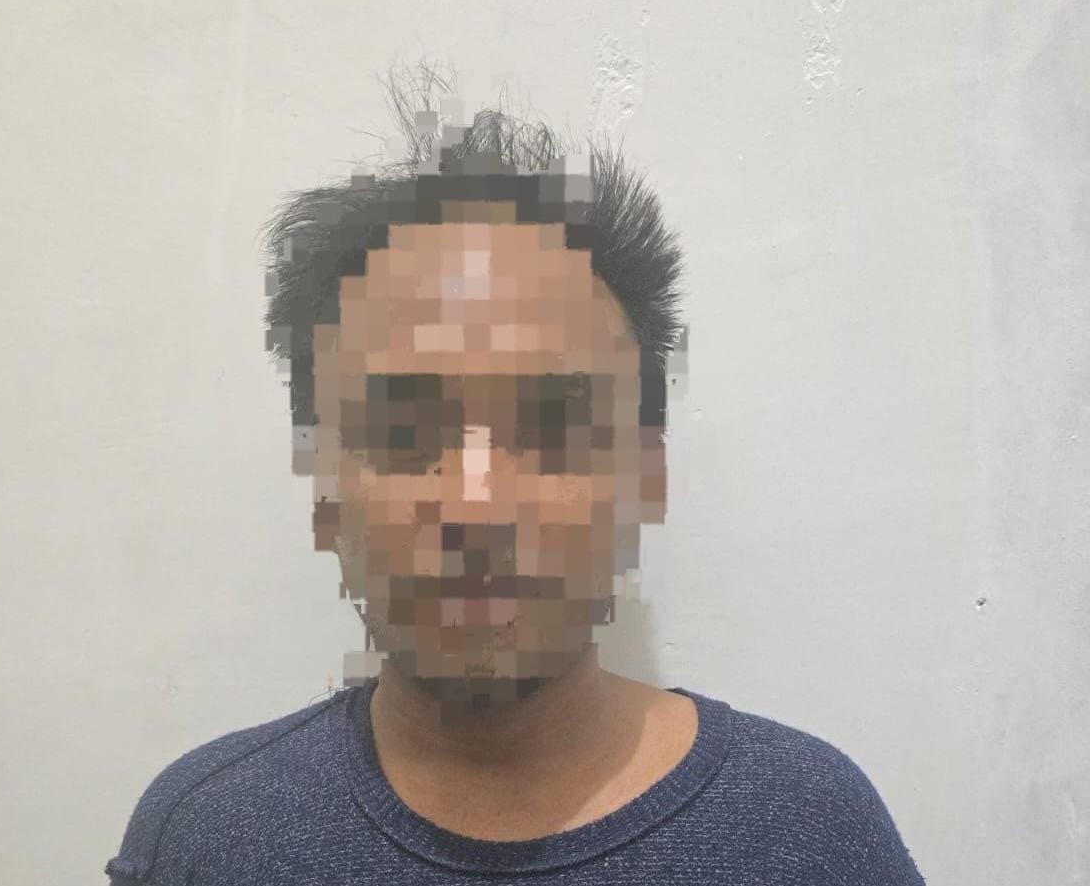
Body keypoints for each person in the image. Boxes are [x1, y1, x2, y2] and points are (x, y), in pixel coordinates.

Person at [104, 73, 927, 885]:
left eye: (554, 426)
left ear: (645, 478)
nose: (477, 504)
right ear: (324, 492)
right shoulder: (208, 837)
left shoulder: (811, 832)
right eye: (402, 433)